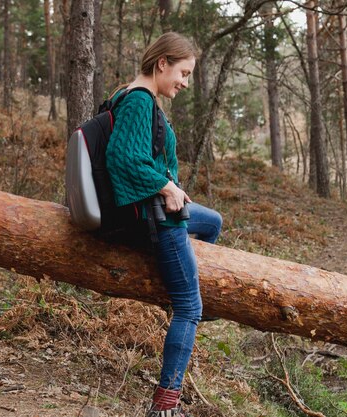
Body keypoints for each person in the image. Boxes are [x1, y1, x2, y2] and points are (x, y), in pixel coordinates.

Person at [105, 32, 222, 417]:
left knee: (212, 222)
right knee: (189, 307)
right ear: (162, 64)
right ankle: (165, 405)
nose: (185, 82)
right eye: (183, 72)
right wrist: (165, 185)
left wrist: (170, 185)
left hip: (163, 210)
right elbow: (123, 159)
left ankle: (180, 277)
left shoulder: (133, 96)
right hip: (157, 219)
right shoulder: (138, 101)